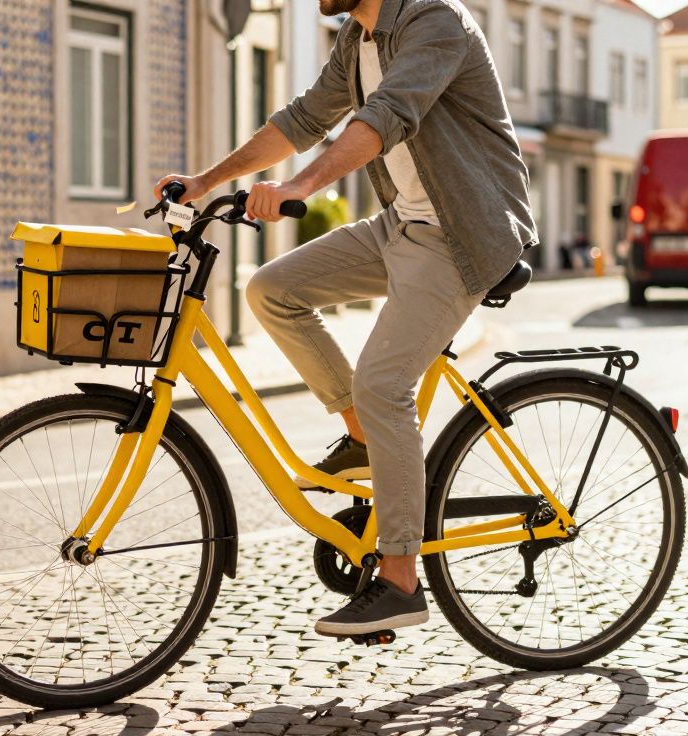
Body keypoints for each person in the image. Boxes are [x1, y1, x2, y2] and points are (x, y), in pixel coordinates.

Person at [155, 0, 536, 639]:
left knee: (384, 384)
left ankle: (400, 580)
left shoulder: (434, 21)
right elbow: (303, 120)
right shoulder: (355, 37)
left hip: (464, 234)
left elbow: (385, 119)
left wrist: (299, 188)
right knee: (272, 289)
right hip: (403, 225)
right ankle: (362, 435)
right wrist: (205, 180)